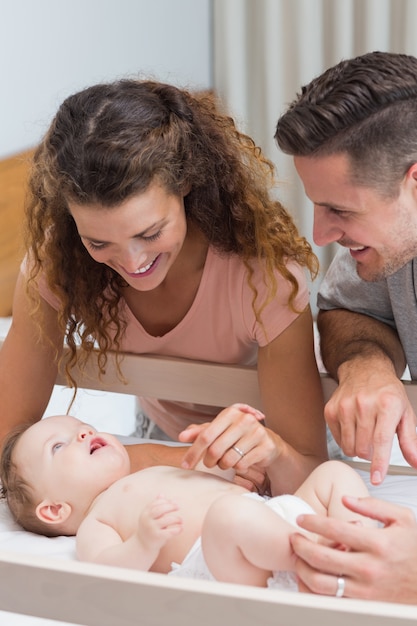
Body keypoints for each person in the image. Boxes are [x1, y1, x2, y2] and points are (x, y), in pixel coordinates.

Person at [0, 78, 326, 494]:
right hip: (156, 433)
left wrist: (132, 461)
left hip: (270, 448)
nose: (133, 264)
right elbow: (8, 444)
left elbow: (304, 470)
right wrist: (165, 459)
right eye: (98, 242)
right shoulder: (57, 262)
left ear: (186, 182)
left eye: (151, 232)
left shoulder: (265, 276)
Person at [275, 50, 417, 602]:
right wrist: (365, 367)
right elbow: (346, 311)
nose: (320, 234)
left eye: (340, 210)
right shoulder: (387, 250)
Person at [0, 414, 374, 592]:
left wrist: (237, 469)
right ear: (54, 510)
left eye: (83, 426)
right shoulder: (97, 521)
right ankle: (322, 560)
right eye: (60, 445)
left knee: (333, 476)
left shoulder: (151, 473)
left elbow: (223, 480)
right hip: (226, 560)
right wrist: (143, 543)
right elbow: (108, 571)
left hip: (270, 521)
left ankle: (362, 544)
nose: (83, 432)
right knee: (229, 515)